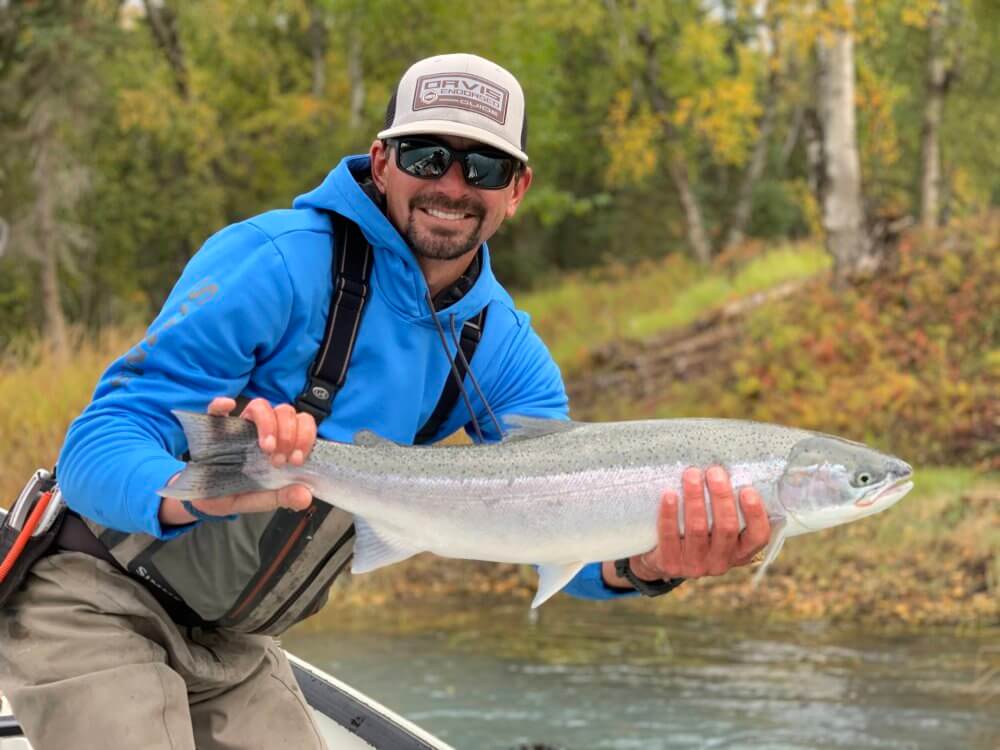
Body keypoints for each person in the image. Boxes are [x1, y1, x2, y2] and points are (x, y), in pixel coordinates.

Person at [0, 53, 771, 749]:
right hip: (96, 601)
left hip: (236, 647)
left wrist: (649, 563)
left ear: (518, 190)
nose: (453, 185)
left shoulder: (503, 348)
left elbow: (558, 533)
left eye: (486, 168)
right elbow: (100, 439)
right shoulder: (274, 261)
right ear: (382, 160)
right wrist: (196, 492)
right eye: (428, 156)